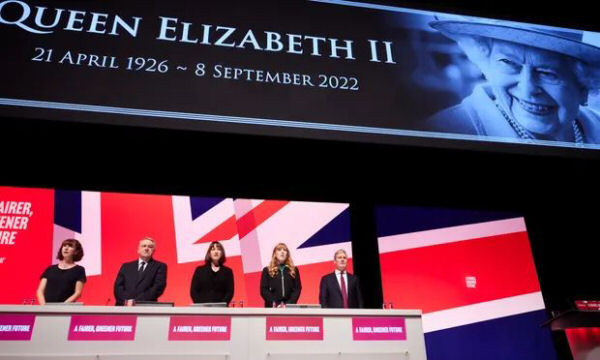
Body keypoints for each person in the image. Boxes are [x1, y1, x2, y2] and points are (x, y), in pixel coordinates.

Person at [426, 17, 600, 144]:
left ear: (583, 88)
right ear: (487, 66)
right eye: (508, 63)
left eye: (548, 73)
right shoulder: (441, 131)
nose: (527, 88)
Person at [113, 237, 167, 306]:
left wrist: (135, 302)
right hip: (123, 306)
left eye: (150, 247)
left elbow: (157, 288)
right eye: (144, 246)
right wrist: (126, 301)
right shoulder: (126, 266)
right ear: (138, 250)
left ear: (154, 251)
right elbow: (118, 287)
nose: (146, 248)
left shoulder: (160, 266)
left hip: (145, 307)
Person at [36, 238, 86, 305]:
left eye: (70, 246)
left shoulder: (79, 270)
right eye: (64, 245)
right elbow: (40, 291)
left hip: (65, 310)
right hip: (46, 308)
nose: (66, 248)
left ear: (76, 251)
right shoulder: (50, 269)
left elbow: (78, 293)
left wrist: (62, 307)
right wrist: (44, 307)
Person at [260, 243, 301, 307]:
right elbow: (264, 290)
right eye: (279, 250)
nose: (282, 252)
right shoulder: (267, 270)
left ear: (287, 254)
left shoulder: (294, 270)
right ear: (275, 254)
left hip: (289, 308)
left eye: (285, 250)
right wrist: (274, 303)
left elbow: (297, 289)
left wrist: (289, 304)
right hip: (272, 308)